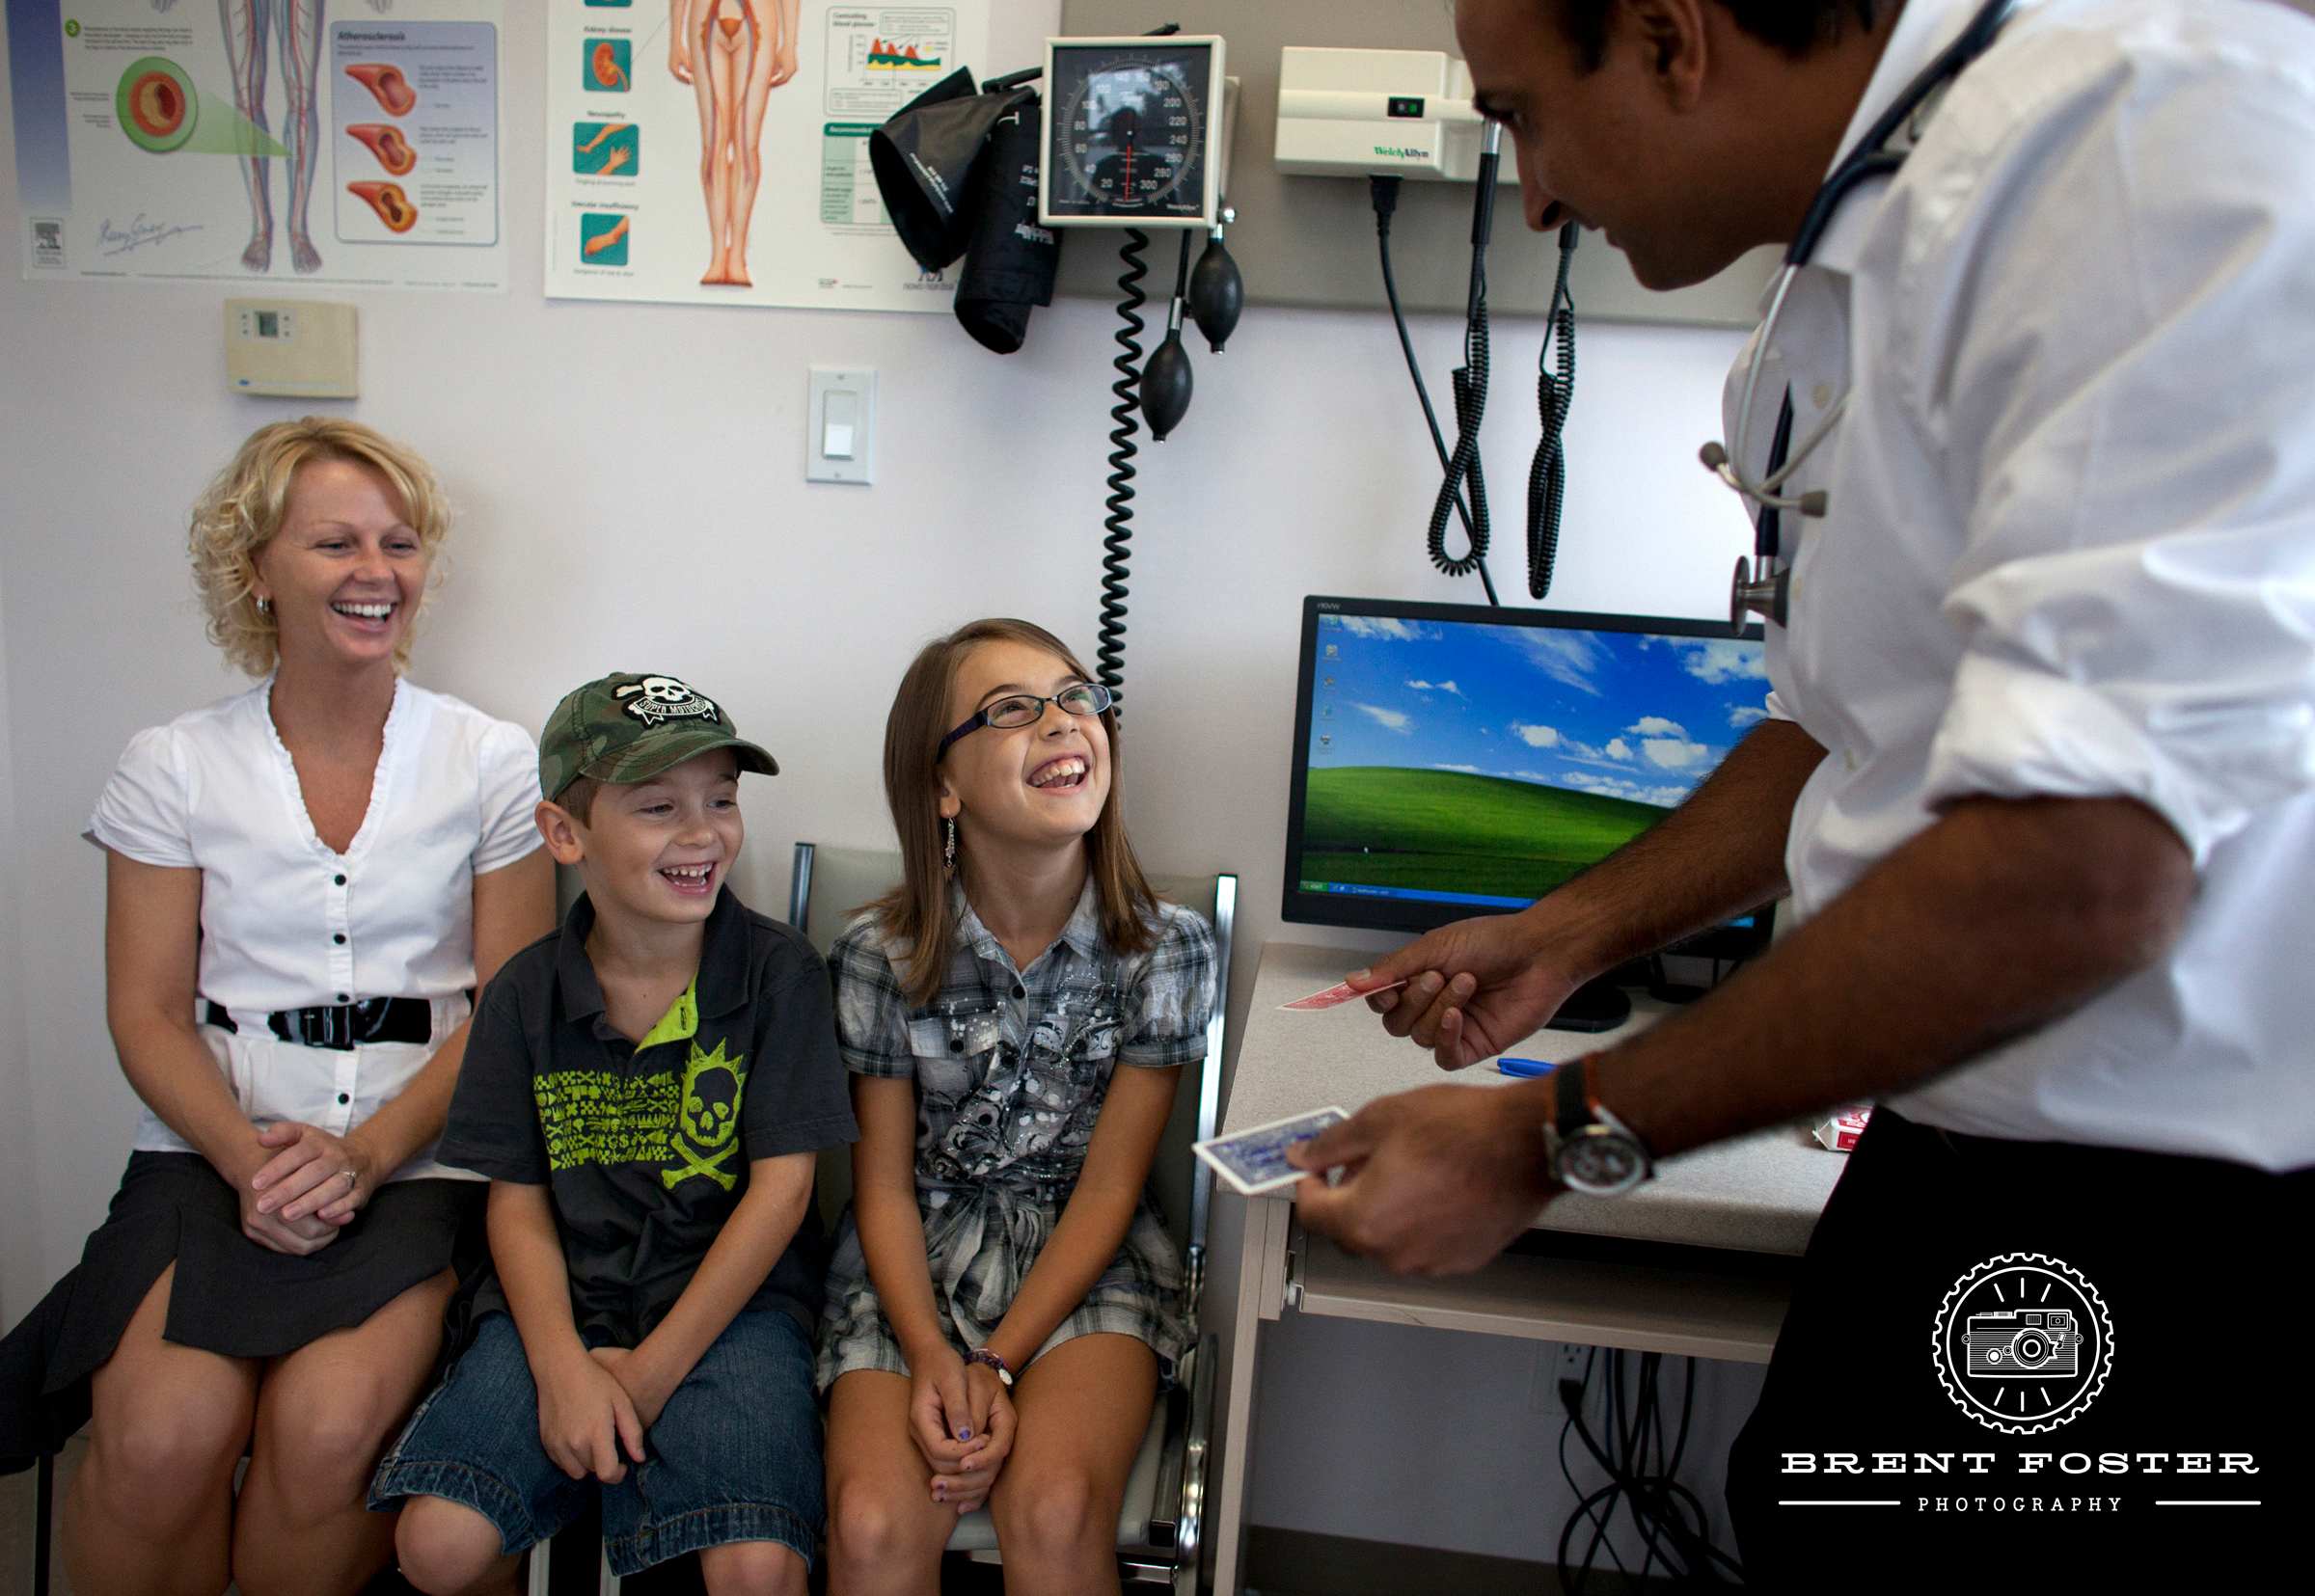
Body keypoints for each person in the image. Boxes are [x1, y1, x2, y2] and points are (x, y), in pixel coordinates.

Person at [1287, 0, 2315, 1581]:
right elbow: (1853, 724)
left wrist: (1549, 1138)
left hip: (2177, 1207)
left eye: (1521, 118)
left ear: (1671, 41)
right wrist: (1578, 928)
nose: (1536, 198)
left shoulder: (2131, 153)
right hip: (1959, 1146)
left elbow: (2078, 868)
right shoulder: (1857, 256)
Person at [0, 417, 557, 1594]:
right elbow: (146, 1011)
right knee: (156, 1440)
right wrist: (253, 1165)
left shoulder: (493, 759)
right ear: (256, 568)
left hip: (418, 1161)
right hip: (211, 1157)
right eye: (334, 543)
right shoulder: (172, 763)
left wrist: (361, 1156)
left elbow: (512, 1007)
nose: (375, 572)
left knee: (324, 1431)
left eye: (398, 543)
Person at [374, 671, 857, 1594]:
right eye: (657, 806)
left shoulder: (779, 975)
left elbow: (783, 1192)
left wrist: (648, 1373)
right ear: (566, 834)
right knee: (437, 1545)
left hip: (734, 1310)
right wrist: (560, 1365)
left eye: (721, 799)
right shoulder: (522, 993)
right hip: (557, 1305)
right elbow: (515, 1206)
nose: (701, 832)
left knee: (755, 1565)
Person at [820, 619, 1215, 1594]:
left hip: (1090, 1256)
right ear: (942, 786)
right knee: (871, 1526)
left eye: (1076, 697)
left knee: (1054, 1511)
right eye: (1012, 709)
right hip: (912, 1260)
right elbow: (882, 1188)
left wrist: (994, 1361)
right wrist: (929, 1351)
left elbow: (1113, 1184)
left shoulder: (1167, 950)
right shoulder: (878, 954)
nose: (1060, 721)